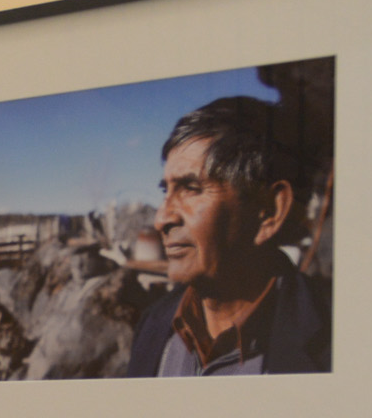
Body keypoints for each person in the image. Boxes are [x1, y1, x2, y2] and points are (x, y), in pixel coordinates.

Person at [125, 96, 332, 377]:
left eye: (191, 188)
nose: (162, 219)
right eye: (167, 191)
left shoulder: (336, 343)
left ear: (268, 211)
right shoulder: (154, 325)